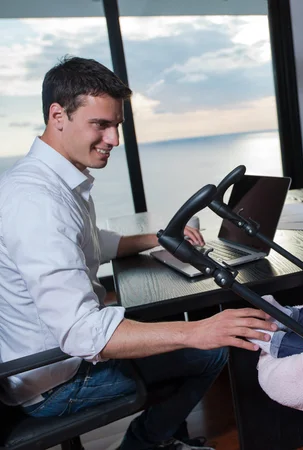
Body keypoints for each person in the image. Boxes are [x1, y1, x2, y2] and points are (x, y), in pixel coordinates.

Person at [0, 56, 277, 450]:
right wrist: (200, 330)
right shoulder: (37, 202)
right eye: (101, 125)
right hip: (56, 383)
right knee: (210, 350)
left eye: (117, 125)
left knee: (165, 323)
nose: (114, 139)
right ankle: (145, 445)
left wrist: (158, 237)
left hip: (50, 361)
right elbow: (82, 334)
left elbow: (90, 241)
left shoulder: (48, 181)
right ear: (58, 115)